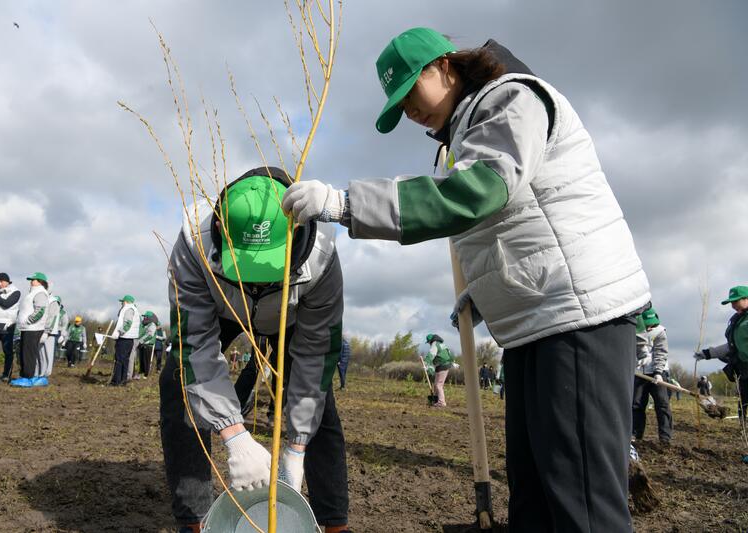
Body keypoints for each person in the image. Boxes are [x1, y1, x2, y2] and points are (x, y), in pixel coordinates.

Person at [282, 27, 650, 532]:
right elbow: (513, 226)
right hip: (533, 322)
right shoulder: (466, 132)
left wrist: (346, 204)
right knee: (535, 497)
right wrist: (484, 290)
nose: (410, 111)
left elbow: (477, 193)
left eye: (410, 91)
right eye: (399, 105)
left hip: (578, 316)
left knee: (580, 502)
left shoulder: (511, 100)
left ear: (444, 65)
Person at [160, 167, 350, 533]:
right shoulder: (194, 245)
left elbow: (315, 356)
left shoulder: (321, 255)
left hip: (291, 312)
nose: (258, 278)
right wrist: (235, 436)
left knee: (320, 401)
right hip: (223, 307)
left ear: (297, 233)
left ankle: (333, 523)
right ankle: (194, 521)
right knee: (177, 383)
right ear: (220, 230)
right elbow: (195, 347)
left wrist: (296, 447)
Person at [695, 285, 748, 420]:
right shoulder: (738, 320)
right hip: (744, 369)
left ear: (746, 299)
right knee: (743, 403)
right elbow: (731, 346)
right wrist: (708, 353)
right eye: (731, 302)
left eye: (736, 301)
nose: (733, 305)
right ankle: (743, 429)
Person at [632, 307, 672, 443]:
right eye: (647, 325)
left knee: (662, 405)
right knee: (636, 405)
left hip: (658, 374)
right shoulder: (634, 330)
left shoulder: (660, 331)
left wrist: (658, 372)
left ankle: (665, 438)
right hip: (640, 373)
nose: (650, 327)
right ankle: (635, 435)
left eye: (652, 324)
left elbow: (661, 352)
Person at [11, 272, 50, 388]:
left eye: (33, 280)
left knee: (28, 353)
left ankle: (27, 377)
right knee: (26, 352)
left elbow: (40, 310)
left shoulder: (40, 293)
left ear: (40, 281)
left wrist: (28, 321)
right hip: (27, 328)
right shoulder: (33, 292)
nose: (31, 282)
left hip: (33, 328)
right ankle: (27, 375)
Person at [111, 295, 140, 385]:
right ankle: (122, 381)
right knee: (125, 360)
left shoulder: (128, 309)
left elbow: (127, 323)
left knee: (120, 360)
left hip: (124, 338)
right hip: (129, 339)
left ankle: (117, 381)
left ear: (126, 302)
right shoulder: (133, 309)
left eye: (122, 302)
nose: (121, 303)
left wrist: (119, 332)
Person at [39, 293, 64, 381]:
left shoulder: (62, 312)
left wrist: (63, 335)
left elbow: (64, 325)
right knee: (42, 353)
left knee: (49, 354)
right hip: (44, 331)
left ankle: (46, 373)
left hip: (53, 333)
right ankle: (41, 372)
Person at [424, 333, 454, 407]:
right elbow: (450, 354)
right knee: (436, 384)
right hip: (444, 365)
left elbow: (431, 354)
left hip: (442, 365)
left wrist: (426, 363)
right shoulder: (442, 344)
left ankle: (441, 402)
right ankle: (437, 400)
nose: (429, 344)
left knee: (438, 385)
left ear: (431, 341)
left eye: (428, 342)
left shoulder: (434, 345)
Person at [137, 311, 158, 378]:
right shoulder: (145, 324)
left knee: (146, 360)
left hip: (148, 345)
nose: (144, 318)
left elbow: (150, 335)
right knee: (141, 360)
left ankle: (146, 375)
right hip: (142, 344)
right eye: (144, 316)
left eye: (145, 316)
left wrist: (141, 341)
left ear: (149, 317)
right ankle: (141, 373)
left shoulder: (152, 324)